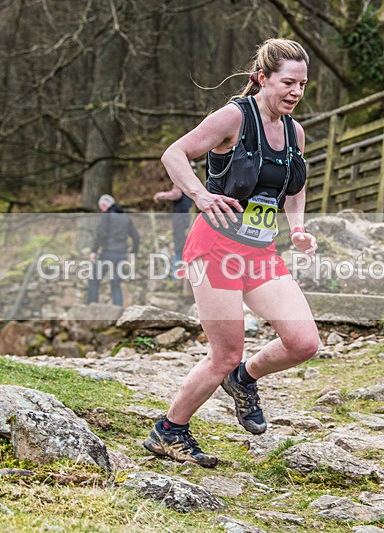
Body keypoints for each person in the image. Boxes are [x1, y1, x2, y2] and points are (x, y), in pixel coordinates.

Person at [142, 38, 320, 467]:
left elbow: (295, 188)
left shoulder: (294, 131)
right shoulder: (234, 118)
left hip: (260, 250)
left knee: (303, 342)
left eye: (303, 84)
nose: (296, 92)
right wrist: (201, 195)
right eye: (288, 83)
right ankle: (169, 430)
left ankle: (245, 380)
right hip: (214, 247)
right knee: (224, 353)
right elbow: (175, 154)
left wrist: (297, 229)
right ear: (262, 78)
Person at [86, 194, 140, 307]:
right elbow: (136, 237)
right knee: (115, 283)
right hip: (122, 255)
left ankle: (92, 308)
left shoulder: (107, 216)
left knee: (94, 280)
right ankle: (118, 312)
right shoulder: (125, 217)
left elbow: (101, 235)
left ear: (105, 205)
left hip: (108, 253)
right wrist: (133, 253)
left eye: (101, 208)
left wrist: (94, 251)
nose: (101, 211)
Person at [153, 184, 194, 276]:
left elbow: (176, 194)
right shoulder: (193, 181)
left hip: (181, 220)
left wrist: (161, 195)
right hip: (188, 218)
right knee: (186, 246)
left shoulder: (180, 177)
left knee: (180, 247)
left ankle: (177, 275)